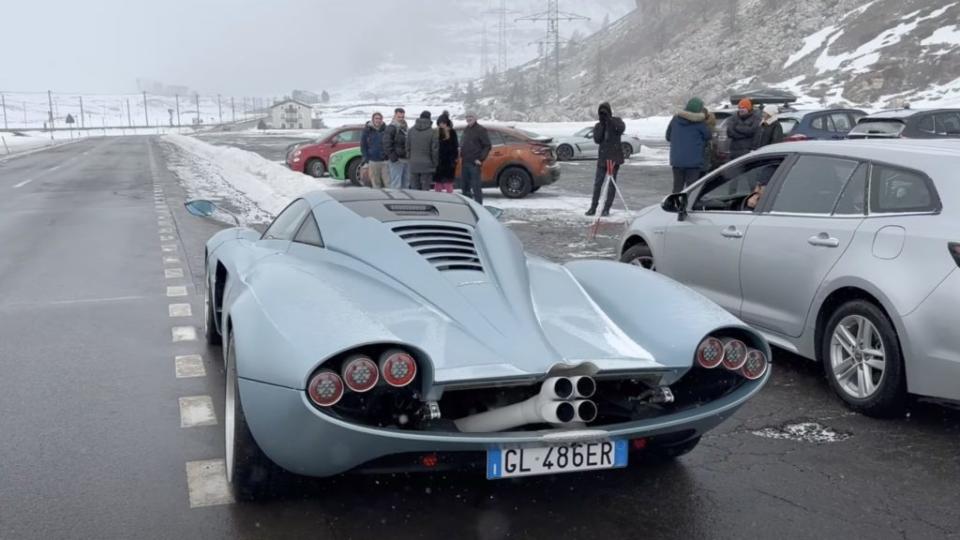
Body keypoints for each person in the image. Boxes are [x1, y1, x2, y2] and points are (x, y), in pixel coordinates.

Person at [585, 102, 626, 217]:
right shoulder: (598, 125)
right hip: (602, 159)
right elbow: (597, 139)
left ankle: (607, 208)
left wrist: (609, 120)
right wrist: (603, 124)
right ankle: (593, 207)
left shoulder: (617, 121)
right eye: (601, 112)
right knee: (598, 184)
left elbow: (621, 129)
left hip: (614, 158)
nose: (603, 114)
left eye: (605, 112)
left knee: (611, 184)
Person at [665, 97, 712, 193]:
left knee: (677, 188)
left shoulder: (675, 119)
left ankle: (675, 206)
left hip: (677, 161)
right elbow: (708, 136)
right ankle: (687, 207)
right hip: (693, 162)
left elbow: (668, 136)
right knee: (691, 189)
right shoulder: (699, 123)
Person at [460, 112, 491, 203]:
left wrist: (481, 158)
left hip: (474, 163)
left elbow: (487, 145)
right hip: (465, 161)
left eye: (471, 117)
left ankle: (478, 207)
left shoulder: (481, 130)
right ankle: (468, 207)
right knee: (465, 187)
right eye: (467, 117)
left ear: (475, 118)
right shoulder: (466, 129)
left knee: (476, 187)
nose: (469, 118)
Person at [406, 111, 439, 190]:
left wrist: (410, 159)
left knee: (414, 188)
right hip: (427, 165)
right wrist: (435, 164)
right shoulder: (432, 132)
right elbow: (434, 150)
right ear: (429, 119)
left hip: (413, 164)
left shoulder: (411, 131)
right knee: (425, 188)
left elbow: (407, 147)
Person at [360, 112, 388, 188]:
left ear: (382, 120)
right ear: (373, 119)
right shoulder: (367, 130)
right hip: (373, 161)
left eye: (379, 118)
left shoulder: (386, 129)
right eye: (376, 118)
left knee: (388, 183)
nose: (378, 120)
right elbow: (363, 146)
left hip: (385, 161)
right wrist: (366, 158)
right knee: (376, 183)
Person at [384, 108, 408, 189]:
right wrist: (393, 157)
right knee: (396, 184)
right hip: (397, 160)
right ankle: (396, 200)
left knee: (406, 183)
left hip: (406, 159)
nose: (401, 119)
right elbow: (386, 144)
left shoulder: (405, 127)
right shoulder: (391, 127)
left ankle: (405, 200)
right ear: (394, 116)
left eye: (402, 117)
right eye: (399, 117)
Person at [435, 111, 458, 193]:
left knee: (448, 182)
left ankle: (450, 198)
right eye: (440, 123)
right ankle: (438, 198)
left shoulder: (452, 132)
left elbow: (455, 147)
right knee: (438, 182)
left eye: (443, 123)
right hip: (439, 161)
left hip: (449, 161)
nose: (442, 124)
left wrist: (454, 159)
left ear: (447, 123)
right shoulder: (436, 132)